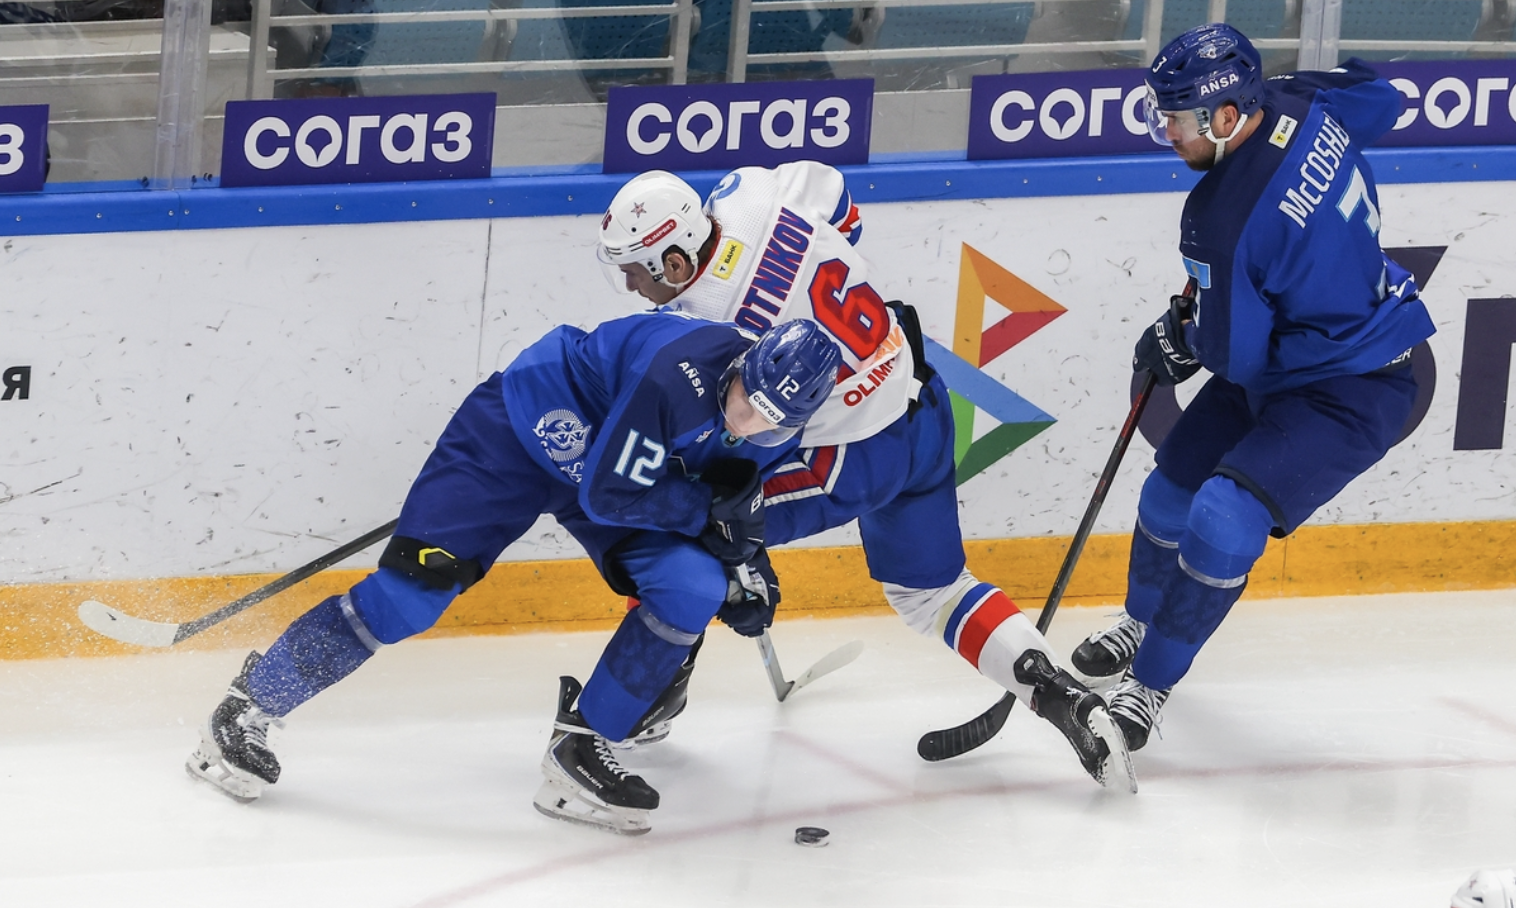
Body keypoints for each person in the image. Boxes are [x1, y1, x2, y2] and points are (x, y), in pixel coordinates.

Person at [188, 311, 843, 837]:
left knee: (692, 587)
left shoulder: (774, 428)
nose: (748, 423)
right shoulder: (677, 373)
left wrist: (743, 568)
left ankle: (581, 749)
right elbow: (613, 497)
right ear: (743, 363)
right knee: (409, 598)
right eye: (745, 401)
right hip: (524, 432)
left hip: (624, 479)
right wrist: (709, 516)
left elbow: (728, 498)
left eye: (771, 421)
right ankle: (251, 703)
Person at [595, 164, 1137, 793]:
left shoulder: (708, 326)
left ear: (676, 261)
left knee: (678, 529)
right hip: (922, 406)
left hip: (849, 460)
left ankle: (651, 693)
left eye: (636, 269)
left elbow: (745, 439)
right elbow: (839, 203)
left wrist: (739, 554)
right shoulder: (752, 193)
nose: (632, 286)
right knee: (932, 592)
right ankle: (1063, 694)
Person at [1068, 23, 1436, 752]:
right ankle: (1138, 622)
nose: (1165, 130)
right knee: (1168, 491)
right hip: (1293, 350)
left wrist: (1179, 340)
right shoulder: (1294, 97)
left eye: (1177, 117)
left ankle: (1152, 682)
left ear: (1228, 117)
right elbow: (1381, 99)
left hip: (1354, 385)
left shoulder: (1220, 221)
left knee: (1221, 516)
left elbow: (1232, 356)